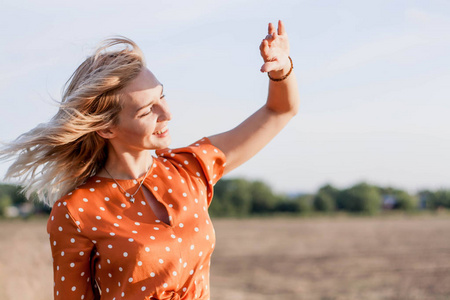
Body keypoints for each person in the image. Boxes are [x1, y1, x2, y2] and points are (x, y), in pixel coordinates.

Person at [0, 20, 299, 299]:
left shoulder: (191, 168)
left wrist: (281, 69)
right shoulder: (76, 211)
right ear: (106, 128)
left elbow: (278, 111)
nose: (167, 113)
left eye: (162, 96)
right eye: (146, 111)